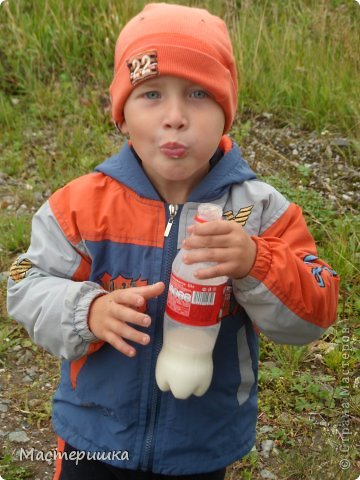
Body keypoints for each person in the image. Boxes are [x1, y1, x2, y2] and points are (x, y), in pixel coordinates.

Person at [7, 3, 339, 480]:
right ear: (121, 116)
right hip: (94, 438)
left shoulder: (261, 211)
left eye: (199, 93)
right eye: (152, 95)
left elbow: (316, 309)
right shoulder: (80, 207)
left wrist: (255, 260)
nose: (176, 117)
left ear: (227, 114)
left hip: (200, 447)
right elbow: (22, 279)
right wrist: (87, 311)